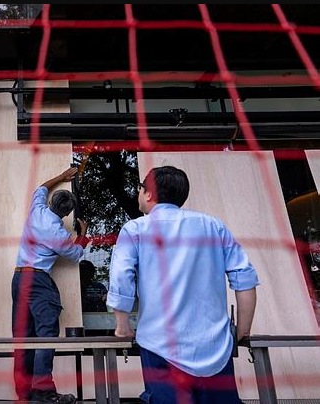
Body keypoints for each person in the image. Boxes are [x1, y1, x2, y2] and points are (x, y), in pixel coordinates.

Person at [106, 165, 260, 404]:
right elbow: (244, 278)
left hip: (160, 347)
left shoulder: (136, 229)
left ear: (148, 194)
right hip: (216, 348)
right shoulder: (213, 226)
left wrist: (122, 326)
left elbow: (121, 279)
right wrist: (242, 330)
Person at [11, 166, 89, 404]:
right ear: (66, 215)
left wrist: (63, 176)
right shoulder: (58, 233)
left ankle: (25, 393)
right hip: (38, 281)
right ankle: (44, 391)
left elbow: (41, 188)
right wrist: (83, 234)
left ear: (52, 202)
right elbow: (76, 255)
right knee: (47, 334)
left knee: (23, 336)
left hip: (18, 278)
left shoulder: (37, 210)